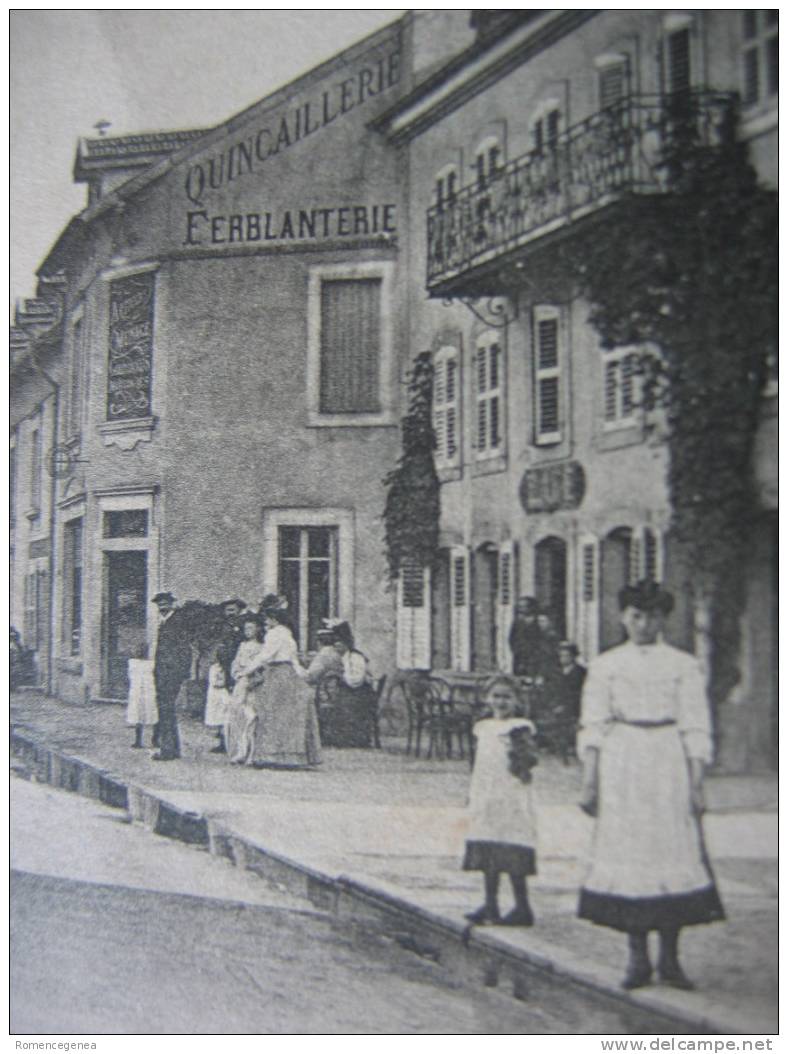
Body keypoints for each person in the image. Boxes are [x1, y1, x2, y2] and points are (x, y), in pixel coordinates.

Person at [577, 579, 725, 991]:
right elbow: (593, 726)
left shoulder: (682, 665)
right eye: (636, 615)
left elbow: (697, 725)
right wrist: (590, 781)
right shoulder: (606, 666)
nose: (644, 624)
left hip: (667, 763)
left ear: (664, 618)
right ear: (623, 617)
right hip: (622, 764)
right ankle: (637, 959)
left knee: (669, 853)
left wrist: (697, 783)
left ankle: (671, 960)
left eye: (653, 616)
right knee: (631, 857)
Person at [463, 674, 539, 927]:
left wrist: (520, 762)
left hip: (511, 794)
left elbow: (527, 760)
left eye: (507, 697)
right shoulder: (483, 727)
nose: (501, 702)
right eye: (496, 696)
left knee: (512, 847)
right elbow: (479, 763)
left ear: (517, 700)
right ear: (487, 698)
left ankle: (522, 906)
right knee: (488, 847)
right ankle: (490, 904)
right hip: (487, 793)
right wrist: (473, 792)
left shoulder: (519, 728)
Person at [237, 597, 321, 768]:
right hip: (289, 674)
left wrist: (246, 671)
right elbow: (294, 659)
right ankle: (290, 756)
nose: (266, 622)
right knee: (288, 716)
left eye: (267, 619)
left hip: (277, 674)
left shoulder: (274, 634)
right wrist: (302, 676)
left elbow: (264, 656)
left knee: (271, 714)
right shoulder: (288, 633)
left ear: (274, 619)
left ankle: (272, 755)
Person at [151, 591, 193, 761]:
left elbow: (185, 650)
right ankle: (171, 748)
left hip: (171, 673)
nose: (162, 607)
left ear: (172, 604)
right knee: (165, 710)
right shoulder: (164, 622)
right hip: (163, 672)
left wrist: (181, 673)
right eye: (159, 605)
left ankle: (168, 750)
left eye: (165, 604)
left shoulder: (177, 622)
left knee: (166, 709)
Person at [324, 621, 375, 748]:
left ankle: (352, 738)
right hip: (350, 691)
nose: (336, 647)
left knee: (345, 704)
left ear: (346, 643)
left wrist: (341, 677)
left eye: (339, 643)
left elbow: (355, 680)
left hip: (360, 693)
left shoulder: (355, 657)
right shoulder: (343, 657)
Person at [224, 614, 266, 765]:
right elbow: (235, 662)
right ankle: (240, 751)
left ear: (258, 629)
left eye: (251, 628)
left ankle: (252, 754)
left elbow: (262, 666)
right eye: (245, 628)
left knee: (252, 718)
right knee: (238, 717)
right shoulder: (242, 645)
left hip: (253, 683)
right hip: (241, 682)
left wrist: (253, 677)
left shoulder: (262, 647)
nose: (247, 631)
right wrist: (235, 673)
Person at [551, 640, 586, 760]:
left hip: (575, 706)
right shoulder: (557, 672)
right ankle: (559, 749)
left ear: (573, 656)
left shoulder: (581, 672)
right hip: (558, 705)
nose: (563, 658)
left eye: (566, 656)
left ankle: (569, 748)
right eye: (561, 655)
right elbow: (553, 690)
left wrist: (565, 705)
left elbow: (579, 693)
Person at [126, 644, 158, 748]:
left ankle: (151, 739)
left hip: (144, 692)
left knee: (147, 714)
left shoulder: (135, 664)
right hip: (144, 692)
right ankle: (150, 740)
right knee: (143, 714)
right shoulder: (146, 664)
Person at [508, 597, 543, 679]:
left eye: (524, 606)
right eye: (520, 607)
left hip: (534, 657)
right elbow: (512, 639)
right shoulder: (517, 622)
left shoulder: (538, 621)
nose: (522, 609)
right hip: (520, 657)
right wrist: (517, 650)